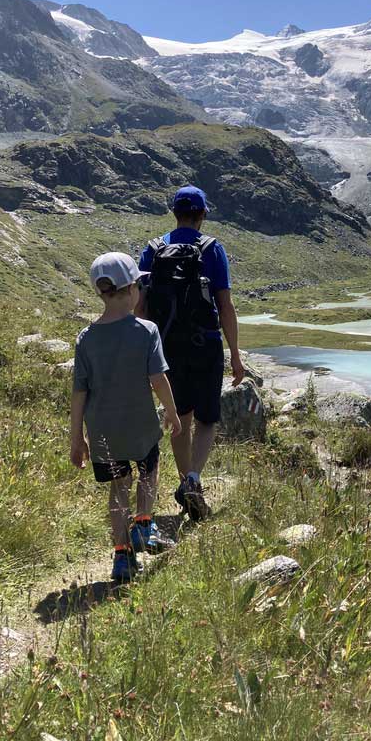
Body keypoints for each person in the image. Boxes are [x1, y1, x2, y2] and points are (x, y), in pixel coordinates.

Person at [70, 251, 182, 582]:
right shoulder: (146, 330)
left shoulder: (85, 339)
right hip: (141, 426)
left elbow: (80, 392)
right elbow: (158, 379)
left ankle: (121, 559)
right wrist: (172, 412)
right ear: (132, 289)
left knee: (119, 488)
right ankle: (144, 526)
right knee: (149, 471)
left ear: (100, 291)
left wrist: (76, 437)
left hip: (103, 431)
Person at [138, 185, 244, 521]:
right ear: (202, 214)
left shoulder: (153, 249)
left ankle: (186, 482)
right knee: (207, 419)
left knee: (179, 419)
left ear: (174, 213)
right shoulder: (212, 249)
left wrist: (143, 352)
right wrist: (236, 355)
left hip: (167, 346)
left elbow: (140, 308)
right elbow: (225, 306)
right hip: (206, 344)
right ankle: (195, 479)